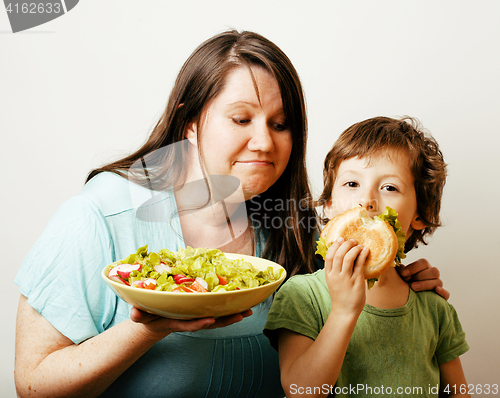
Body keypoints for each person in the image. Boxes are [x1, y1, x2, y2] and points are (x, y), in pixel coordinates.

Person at [14, 31, 447, 398]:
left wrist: (397, 279)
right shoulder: (103, 214)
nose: (264, 142)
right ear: (190, 122)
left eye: (280, 124)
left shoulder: (293, 226)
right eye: (241, 119)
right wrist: (149, 328)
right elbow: (32, 384)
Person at [264, 116, 469, 398]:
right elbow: (301, 391)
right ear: (329, 205)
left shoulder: (434, 307)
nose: (367, 200)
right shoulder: (302, 295)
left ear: (422, 215)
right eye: (351, 184)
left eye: (389, 188)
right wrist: (344, 311)